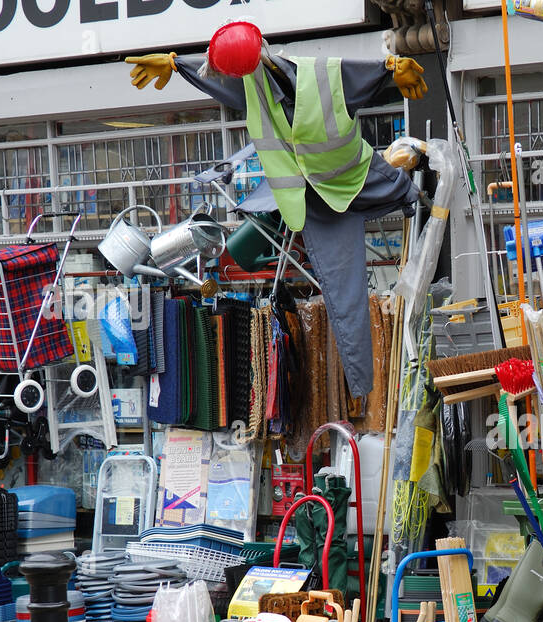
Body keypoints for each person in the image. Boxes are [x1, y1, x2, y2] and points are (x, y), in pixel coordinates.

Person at [125, 22, 429, 396]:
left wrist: (389, 70)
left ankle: (413, 200)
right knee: (345, 299)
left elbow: (359, 74)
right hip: (315, 203)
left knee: (409, 196)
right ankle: (364, 388)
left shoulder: (322, 76)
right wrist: (177, 65)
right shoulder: (248, 84)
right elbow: (219, 78)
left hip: (358, 178)